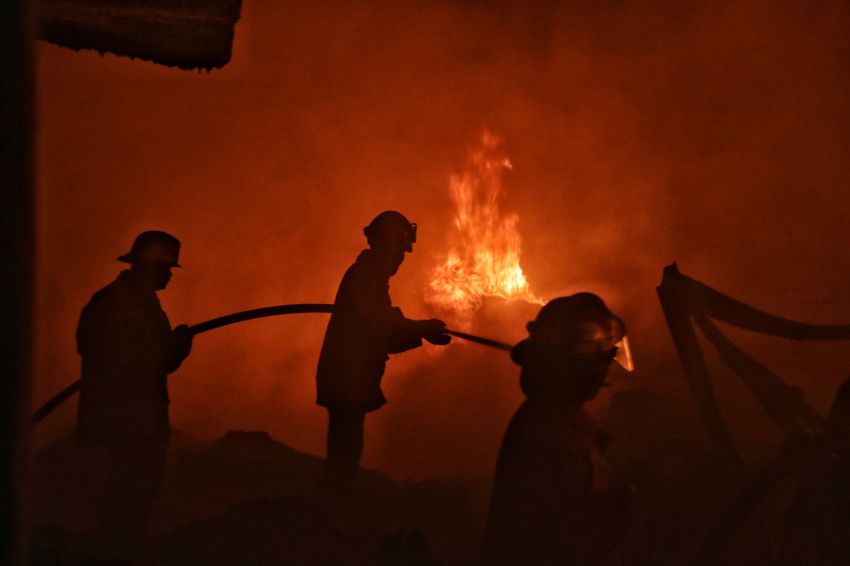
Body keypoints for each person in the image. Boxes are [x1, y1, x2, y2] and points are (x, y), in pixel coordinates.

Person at [484, 293, 637, 565]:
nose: (604, 370)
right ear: (576, 367)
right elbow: (566, 544)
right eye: (601, 360)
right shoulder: (546, 436)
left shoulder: (563, 416)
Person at [316, 211, 450, 496]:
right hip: (346, 374)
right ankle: (333, 505)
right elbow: (378, 324)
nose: (402, 259)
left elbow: (381, 329)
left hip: (348, 374)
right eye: (399, 251)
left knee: (347, 444)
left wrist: (420, 331)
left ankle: (334, 501)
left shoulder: (369, 275)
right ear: (386, 245)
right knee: (346, 447)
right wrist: (421, 329)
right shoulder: (366, 276)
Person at [75, 230, 193, 552]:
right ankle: (116, 549)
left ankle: (119, 546)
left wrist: (174, 347)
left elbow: (152, 359)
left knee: (136, 482)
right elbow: (141, 362)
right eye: (166, 268)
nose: (170, 275)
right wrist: (174, 347)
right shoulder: (124, 303)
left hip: (133, 413)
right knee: (133, 484)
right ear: (149, 267)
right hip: (132, 416)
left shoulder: (124, 301)